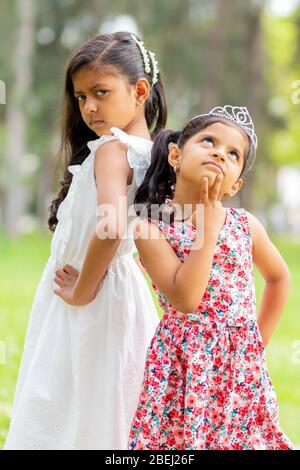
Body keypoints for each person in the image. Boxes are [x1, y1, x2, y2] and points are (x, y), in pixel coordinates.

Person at [4, 31, 167, 450]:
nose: (89, 106)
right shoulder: (152, 153)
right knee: (115, 400)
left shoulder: (113, 150)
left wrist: (83, 290)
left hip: (91, 292)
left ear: (140, 91)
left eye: (100, 92)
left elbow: (112, 225)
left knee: (72, 402)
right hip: (121, 294)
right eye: (80, 97)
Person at [129, 105, 294, 450]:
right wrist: (207, 231)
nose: (219, 152)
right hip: (185, 366)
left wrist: (254, 342)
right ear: (175, 155)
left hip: (240, 368)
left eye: (233, 153)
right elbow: (186, 299)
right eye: (208, 141)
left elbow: (279, 278)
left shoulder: (245, 225)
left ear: (235, 185)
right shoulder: (151, 229)